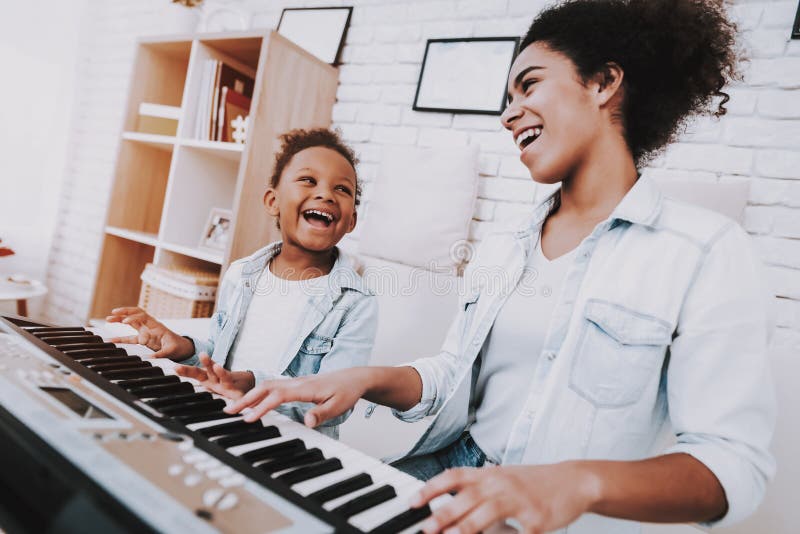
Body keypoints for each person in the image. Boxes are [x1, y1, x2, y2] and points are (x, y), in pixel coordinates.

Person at [225, 1, 775, 532]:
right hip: (456, 474)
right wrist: (363, 378)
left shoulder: (705, 251)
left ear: (603, 83)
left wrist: (573, 484)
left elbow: (732, 468)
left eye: (528, 84)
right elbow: (452, 376)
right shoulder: (503, 246)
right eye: (506, 97)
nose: (509, 113)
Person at [106, 128, 377, 438]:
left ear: (351, 220)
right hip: (220, 418)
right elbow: (220, 359)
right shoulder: (241, 274)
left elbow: (335, 402)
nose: (326, 194)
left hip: (290, 440)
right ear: (273, 201)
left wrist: (252, 384)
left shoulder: (356, 303)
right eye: (308, 180)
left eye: (342, 189)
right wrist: (184, 348)